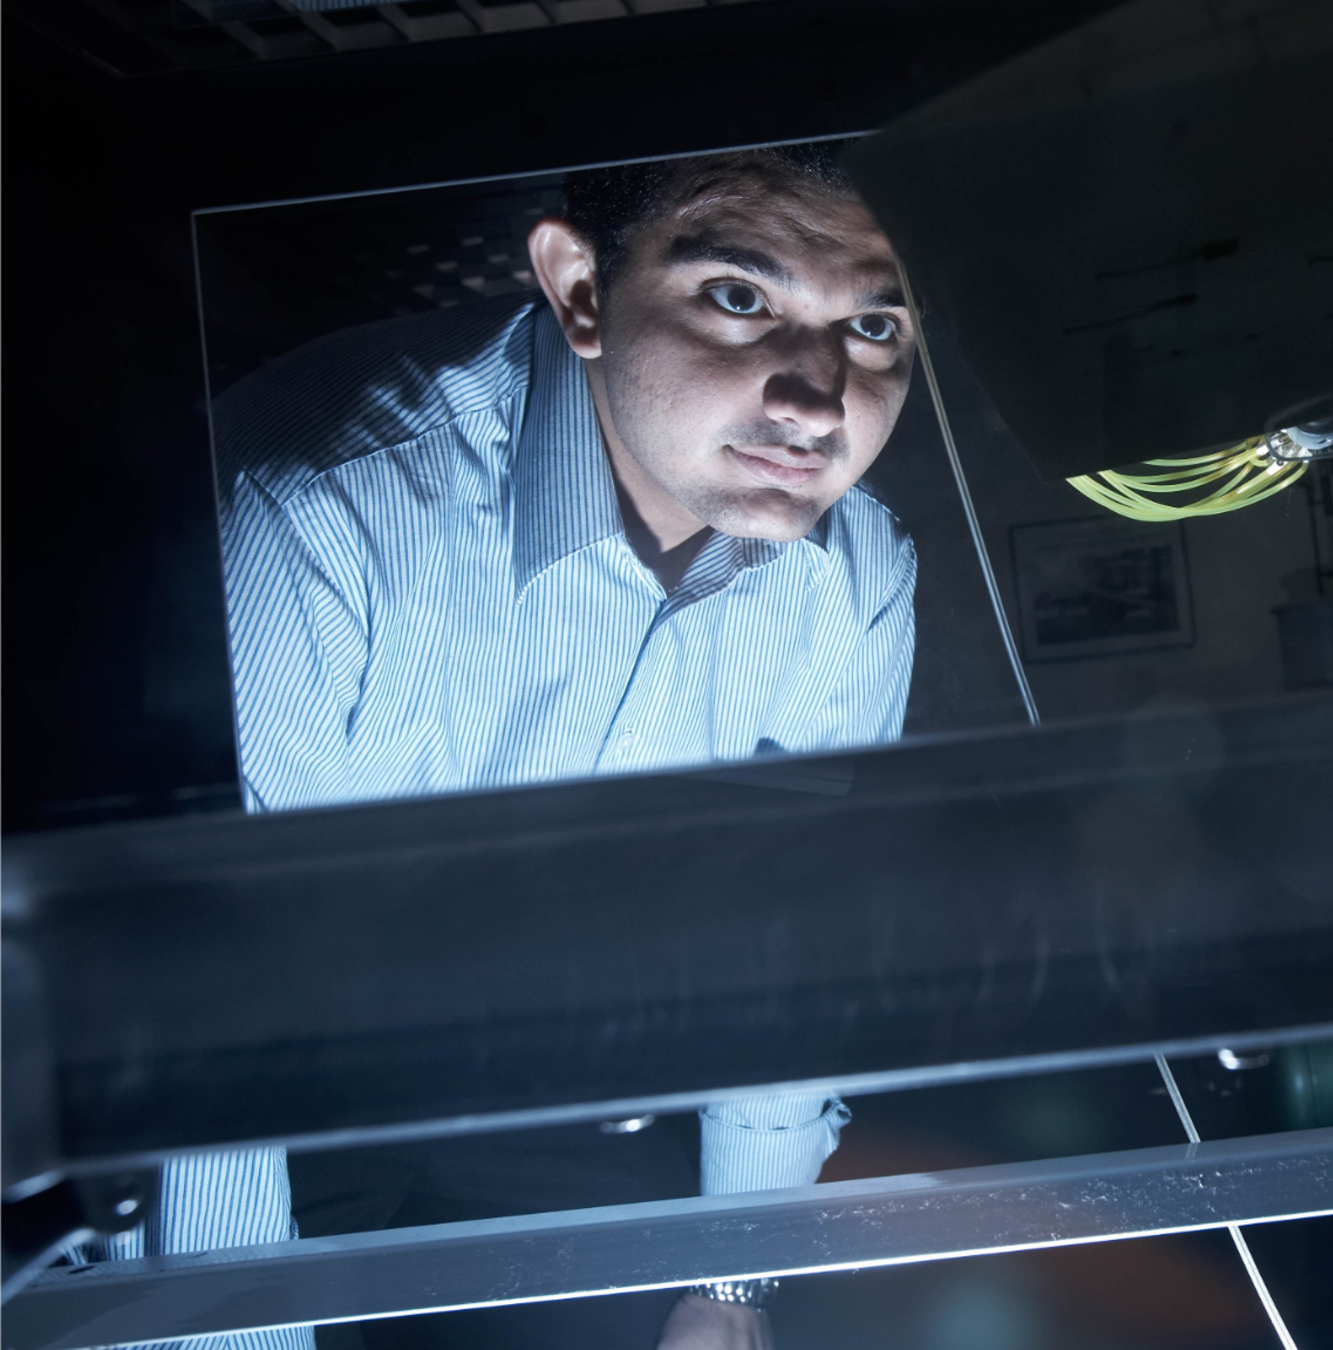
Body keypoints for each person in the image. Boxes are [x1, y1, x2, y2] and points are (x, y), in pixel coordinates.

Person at [84, 143, 923, 1350]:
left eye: (877, 325)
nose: (816, 396)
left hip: (576, 1084)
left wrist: (734, 1276)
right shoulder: (318, 506)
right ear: (580, 290)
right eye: (739, 298)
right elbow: (175, 1007)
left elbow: (787, 949)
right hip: (264, 1080)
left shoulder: (857, 573)